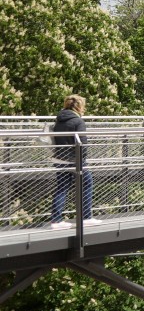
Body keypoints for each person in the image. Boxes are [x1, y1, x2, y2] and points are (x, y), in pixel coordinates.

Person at [49, 94, 101, 228]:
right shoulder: (78, 122)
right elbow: (82, 143)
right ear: (79, 106)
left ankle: (56, 220)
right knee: (87, 185)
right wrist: (83, 159)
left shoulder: (58, 120)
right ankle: (86, 217)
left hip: (59, 159)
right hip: (75, 160)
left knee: (62, 188)